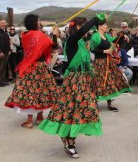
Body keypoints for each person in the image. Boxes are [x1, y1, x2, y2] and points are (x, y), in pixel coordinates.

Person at [39, 15, 104, 159]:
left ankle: (70, 140)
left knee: (84, 110)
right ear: (79, 27)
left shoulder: (81, 42)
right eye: (84, 27)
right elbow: (83, 32)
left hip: (84, 81)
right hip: (74, 82)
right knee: (71, 110)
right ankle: (69, 143)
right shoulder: (72, 40)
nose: (86, 31)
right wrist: (94, 19)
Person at [5, 14, 59, 128]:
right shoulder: (40, 35)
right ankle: (39, 117)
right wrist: (54, 36)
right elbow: (53, 47)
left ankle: (29, 120)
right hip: (40, 67)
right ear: (34, 22)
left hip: (28, 66)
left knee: (29, 92)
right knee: (41, 91)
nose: (40, 23)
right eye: (38, 21)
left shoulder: (25, 35)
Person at [90, 18, 132, 111]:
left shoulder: (106, 36)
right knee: (98, 82)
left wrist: (122, 36)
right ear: (99, 26)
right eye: (105, 25)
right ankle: (95, 102)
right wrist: (105, 51)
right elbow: (92, 49)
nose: (106, 26)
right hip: (99, 63)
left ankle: (110, 103)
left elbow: (114, 40)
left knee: (110, 82)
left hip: (108, 62)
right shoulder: (95, 36)